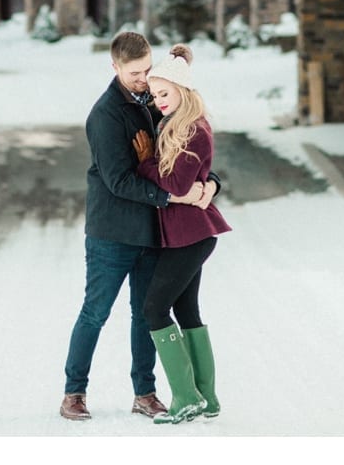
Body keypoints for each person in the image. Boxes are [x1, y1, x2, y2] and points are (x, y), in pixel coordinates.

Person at [60, 34, 217, 422]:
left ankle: (144, 392)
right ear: (114, 67)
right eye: (135, 73)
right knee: (95, 312)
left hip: (152, 233)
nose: (143, 79)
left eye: (148, 70)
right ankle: (74, 392)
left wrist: (212, 184)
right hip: (111, 233)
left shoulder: (157, 101)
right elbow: (119, 181)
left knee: (145, 315)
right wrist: (172, 198)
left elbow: (183, 158)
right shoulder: (105, 115)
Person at [130, 52, 232, 424]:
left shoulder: (193, 129)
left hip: (192, 234)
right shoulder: (177, 123)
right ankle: (207, 398)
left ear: (182, 90)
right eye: (155, 95)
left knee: (153, 309)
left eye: (163, 93)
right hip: (185, 234)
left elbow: (176, 183)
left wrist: (145, 163)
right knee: (186, 311)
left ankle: (186, 397)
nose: (158, 101)